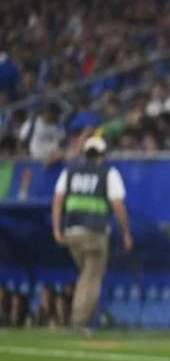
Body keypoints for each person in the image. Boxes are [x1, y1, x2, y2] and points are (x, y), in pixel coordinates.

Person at [51, 136, 132, 330]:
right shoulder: (108, 173)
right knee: (91, 278)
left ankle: (87, 318)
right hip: (95, 233)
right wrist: (126, 232)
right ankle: (79, 321)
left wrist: (56, 228)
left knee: (85, 275)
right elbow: (118, 205)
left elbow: (58, 200)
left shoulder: (69, 171)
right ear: (102, 154)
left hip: (72, 233)